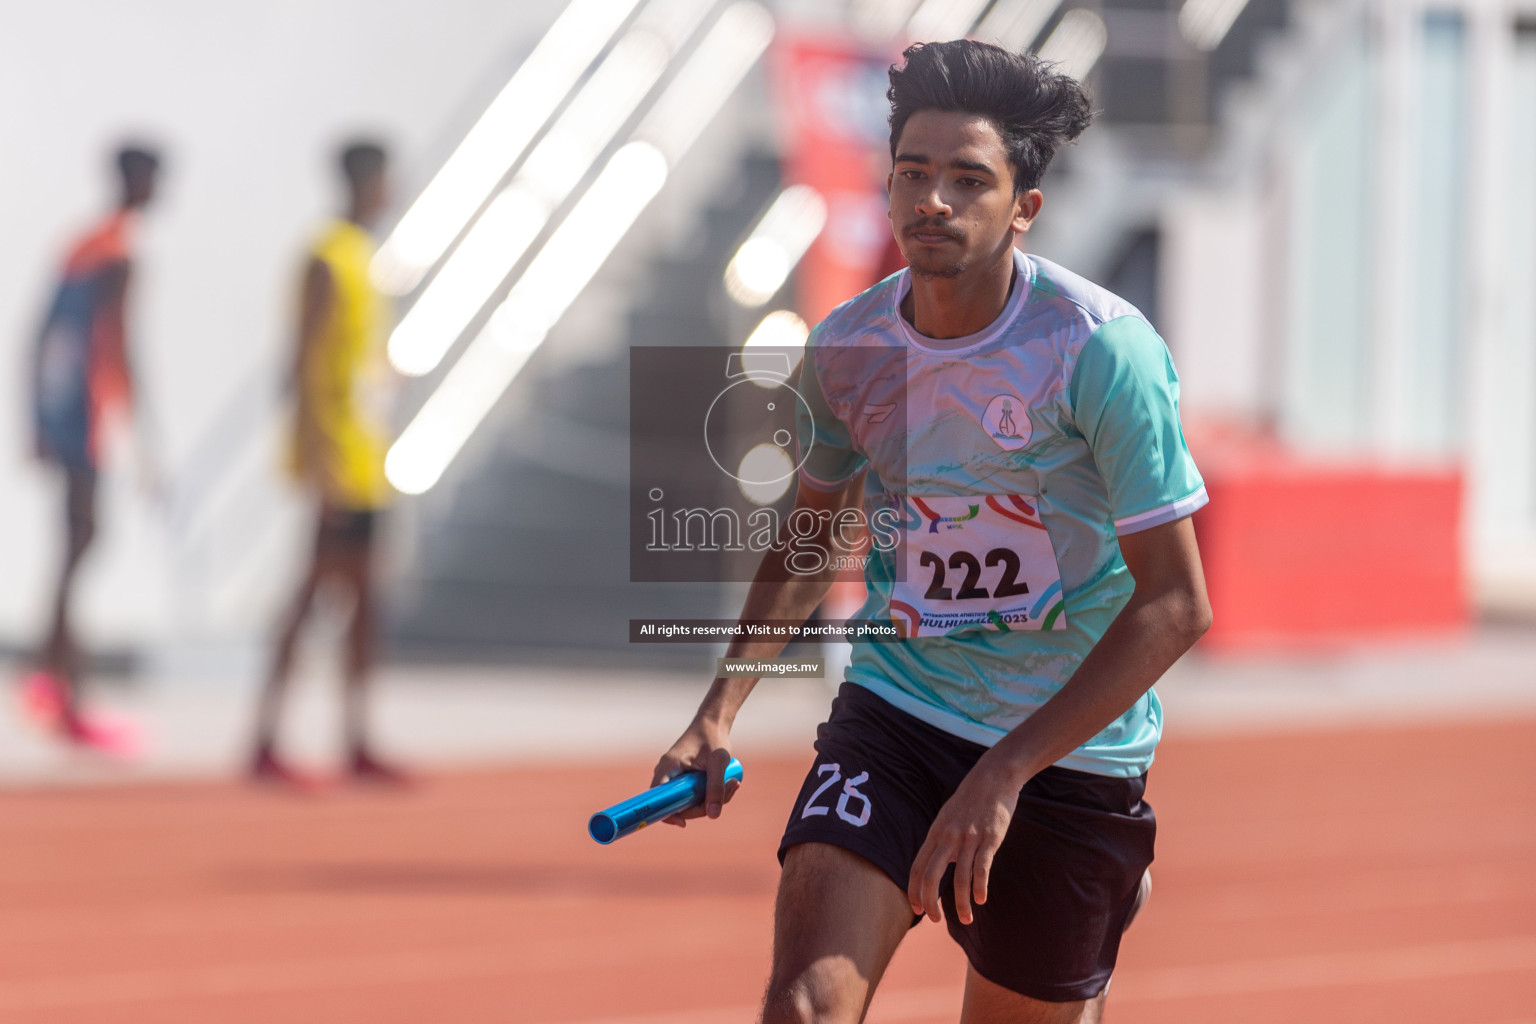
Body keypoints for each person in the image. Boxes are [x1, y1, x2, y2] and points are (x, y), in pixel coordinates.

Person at [652, 41, 1212, 1024]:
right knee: (803, 1007)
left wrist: (1004, 772)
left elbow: (1176, 601)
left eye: (967, 179)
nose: (932, 201)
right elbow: (811, 534)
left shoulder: (1100, 350)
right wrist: (720, 707)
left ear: (1023, 208)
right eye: (913, 172)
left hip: (1066, 753)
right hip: (900, 711)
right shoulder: (852, 346)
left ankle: (1101, 883)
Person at [251, 140, 403, 786]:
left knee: (365, 600)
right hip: (337, 462)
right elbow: (303, 367)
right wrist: (318, 467)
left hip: (367, 459)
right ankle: (264, 737)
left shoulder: (366, 259)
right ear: (365, 181)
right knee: (310, 596)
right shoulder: (327, 258)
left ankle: (357, 736)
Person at [23, 144, 162, 752]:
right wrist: (147, 437)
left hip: (67, 415)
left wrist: (36, 419)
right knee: (82, 542)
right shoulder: (117, 254)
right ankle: (60, 685)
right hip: (86, 419)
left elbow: (42, 335)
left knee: (75, 545)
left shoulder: (82, 246)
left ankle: (54, 678)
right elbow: (119, 346)